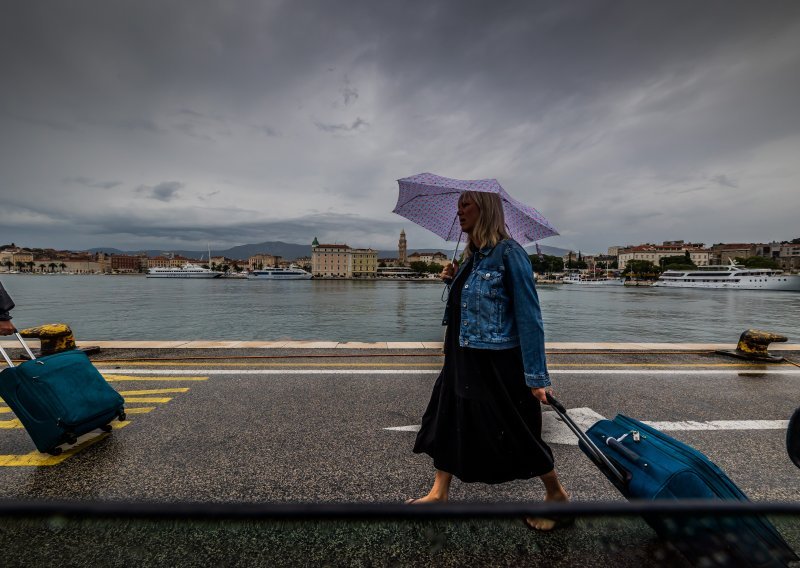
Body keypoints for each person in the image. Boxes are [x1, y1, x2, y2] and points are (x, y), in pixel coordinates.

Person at [408, 190, 571, 531]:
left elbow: (529, 316)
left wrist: (537, 376)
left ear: (487, 210)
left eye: (466, 204)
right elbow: (471, 306)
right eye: (459, 205)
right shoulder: (472, 258)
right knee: (448, 418)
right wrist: (454, 279)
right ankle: (439, 492)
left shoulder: (509, 254)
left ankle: (556, 495)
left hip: (495, 362)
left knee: (515, 427)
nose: (459, 211)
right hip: (461, 356)